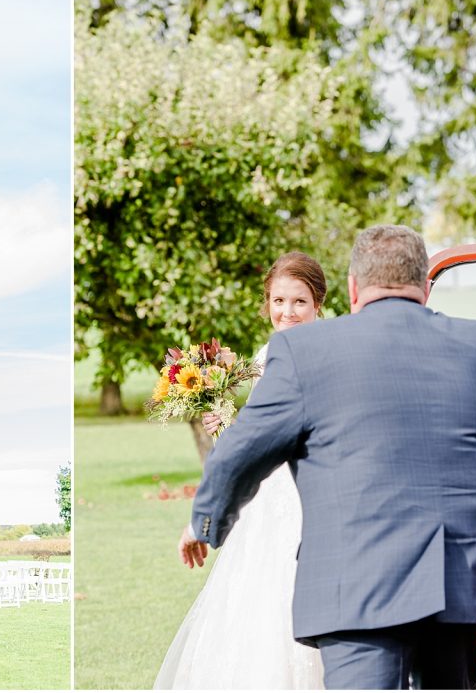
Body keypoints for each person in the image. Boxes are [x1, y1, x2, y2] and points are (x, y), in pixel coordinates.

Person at [177, 225, 476, 690]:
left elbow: (244, 448)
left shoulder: (303, 351)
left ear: (354, 288)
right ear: (426, 287)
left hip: (354, 578)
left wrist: (205, 521)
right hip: (459, 574)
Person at [154, 251, 328, 689]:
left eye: (299, 302)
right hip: (270, 494)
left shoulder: (303, 351)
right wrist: (230, 428)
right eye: (279, 301)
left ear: (319, 303)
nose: (287, 312)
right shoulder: (268, 352)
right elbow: (269, 428)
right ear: (267, 302)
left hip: (305, 493)